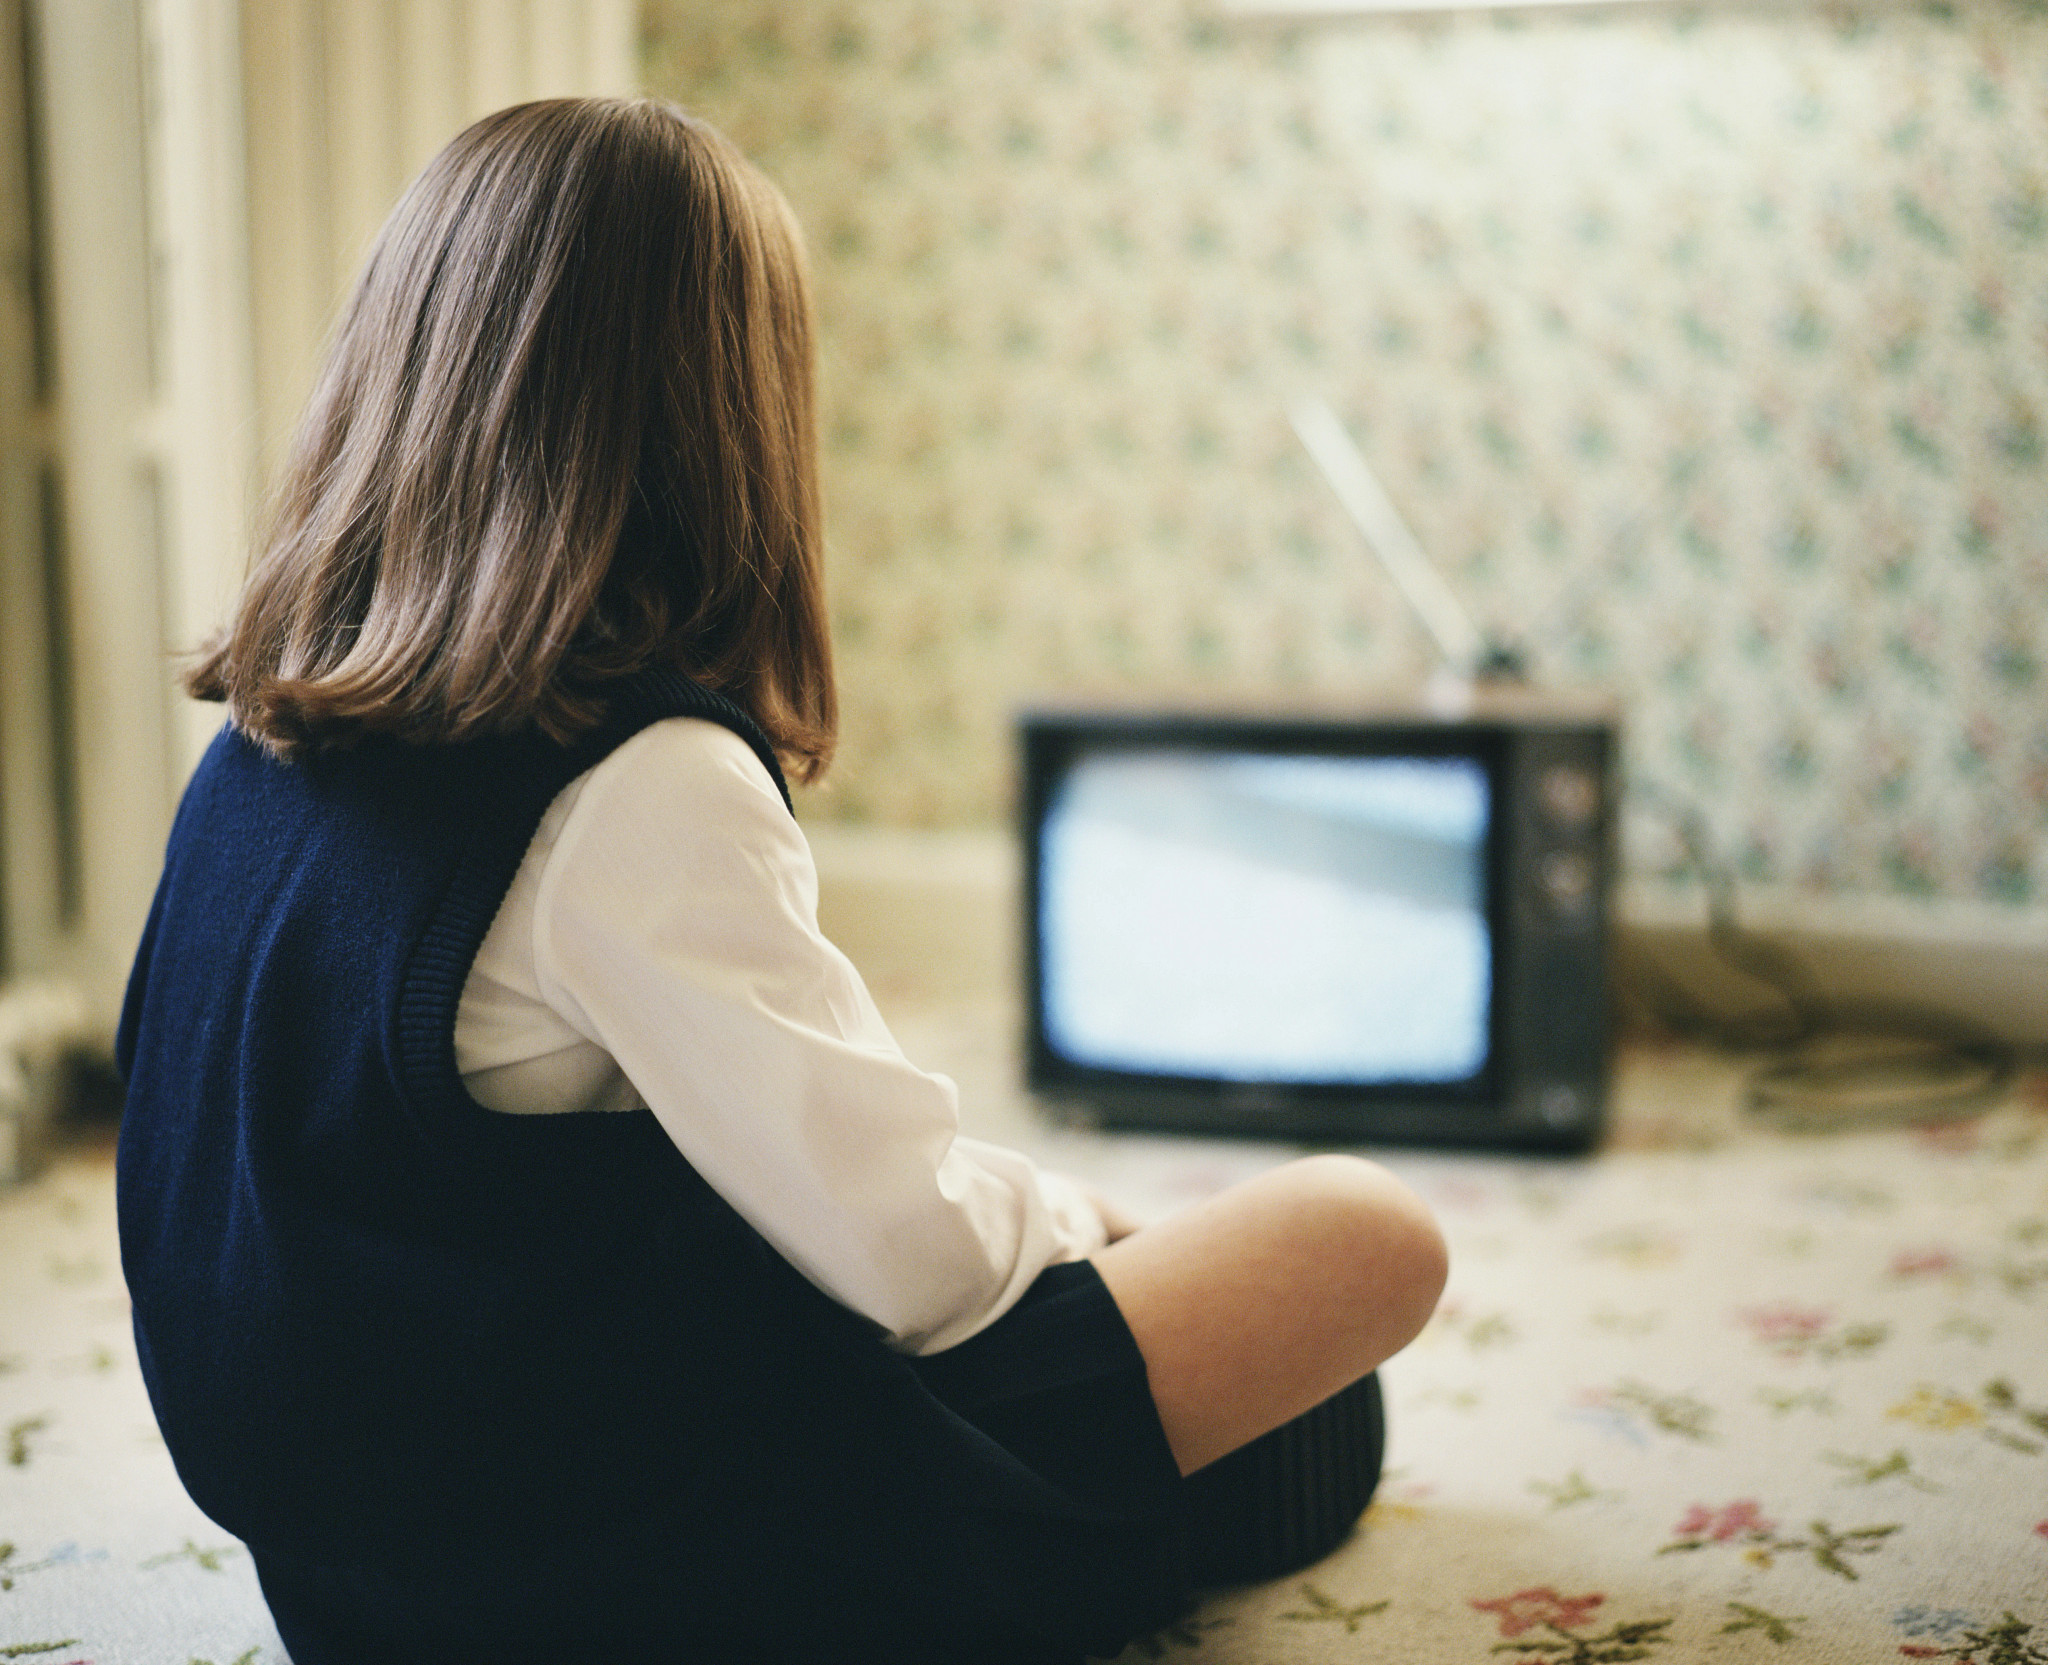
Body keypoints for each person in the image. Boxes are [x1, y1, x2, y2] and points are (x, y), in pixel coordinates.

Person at [115, 97, 1447, 1665]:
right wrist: (1078, 1221)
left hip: (361, 1556)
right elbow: (923, 1267)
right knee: (1365, 1250)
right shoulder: (639, 783)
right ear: (727, 421)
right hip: (592, 1565)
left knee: (1115, 1260)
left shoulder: (271, 736)